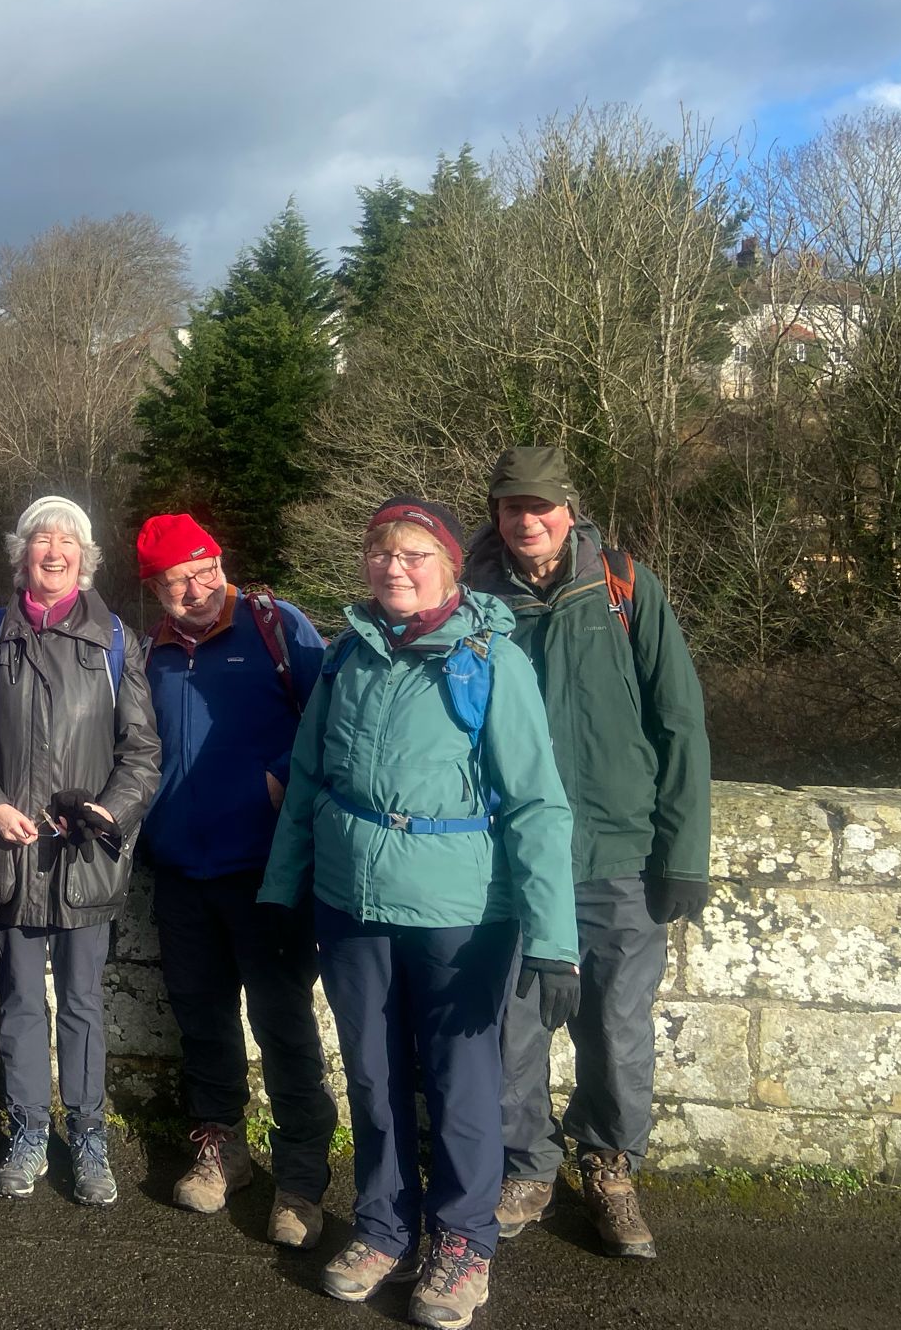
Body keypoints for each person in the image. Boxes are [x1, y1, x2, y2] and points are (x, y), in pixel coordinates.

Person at [259, 496, 577, 1330]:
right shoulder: (348, 654)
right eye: (380, 553)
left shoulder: (490, 659)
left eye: (412, 555)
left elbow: (538, 803)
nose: (393, 569)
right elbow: (310, 783)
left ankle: (464, 1241)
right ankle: (383, 1226)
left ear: (449, 567)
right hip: (350, 899)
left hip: (459, 910)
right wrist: (280, 891)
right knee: (371, 1071)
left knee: (461, 1083)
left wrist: (553, 940)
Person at [465, 448, 711, 1260]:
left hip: (620, 850)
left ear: (570, 510)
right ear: (495, 515)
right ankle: (527, 1166)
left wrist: (685, 852)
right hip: (510, 857)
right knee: (512, 1024)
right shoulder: (470, 597)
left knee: (617, 1026)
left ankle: (609, 1167)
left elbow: (678, 721)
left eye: (540, 506)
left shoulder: (624, 587)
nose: (526, 520)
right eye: (511, 507)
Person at [0, 495, 160, 1208]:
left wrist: (110, 812)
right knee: (18, 1005)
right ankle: (29, 1132)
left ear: (86, 558)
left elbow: (142, 753)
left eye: (68, 541)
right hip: (10, 858)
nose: (54, 550)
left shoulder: (117, 642)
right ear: (23, 555)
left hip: (84, 858)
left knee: (82, 1004)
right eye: (41, 539)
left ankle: (90, 1136)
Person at [134, 513, 338, 1248]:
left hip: (267, 870)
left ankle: (303, 1175)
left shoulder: (277, 626)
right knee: (202, 1018)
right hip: (181, 870)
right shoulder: (148, 652)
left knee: (283, 1023)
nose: (195, 587)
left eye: (203, 567)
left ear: (220, 558)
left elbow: (331, 718)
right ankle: (221, 1146)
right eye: (175, 579)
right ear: (154, 590)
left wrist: (280, 779)